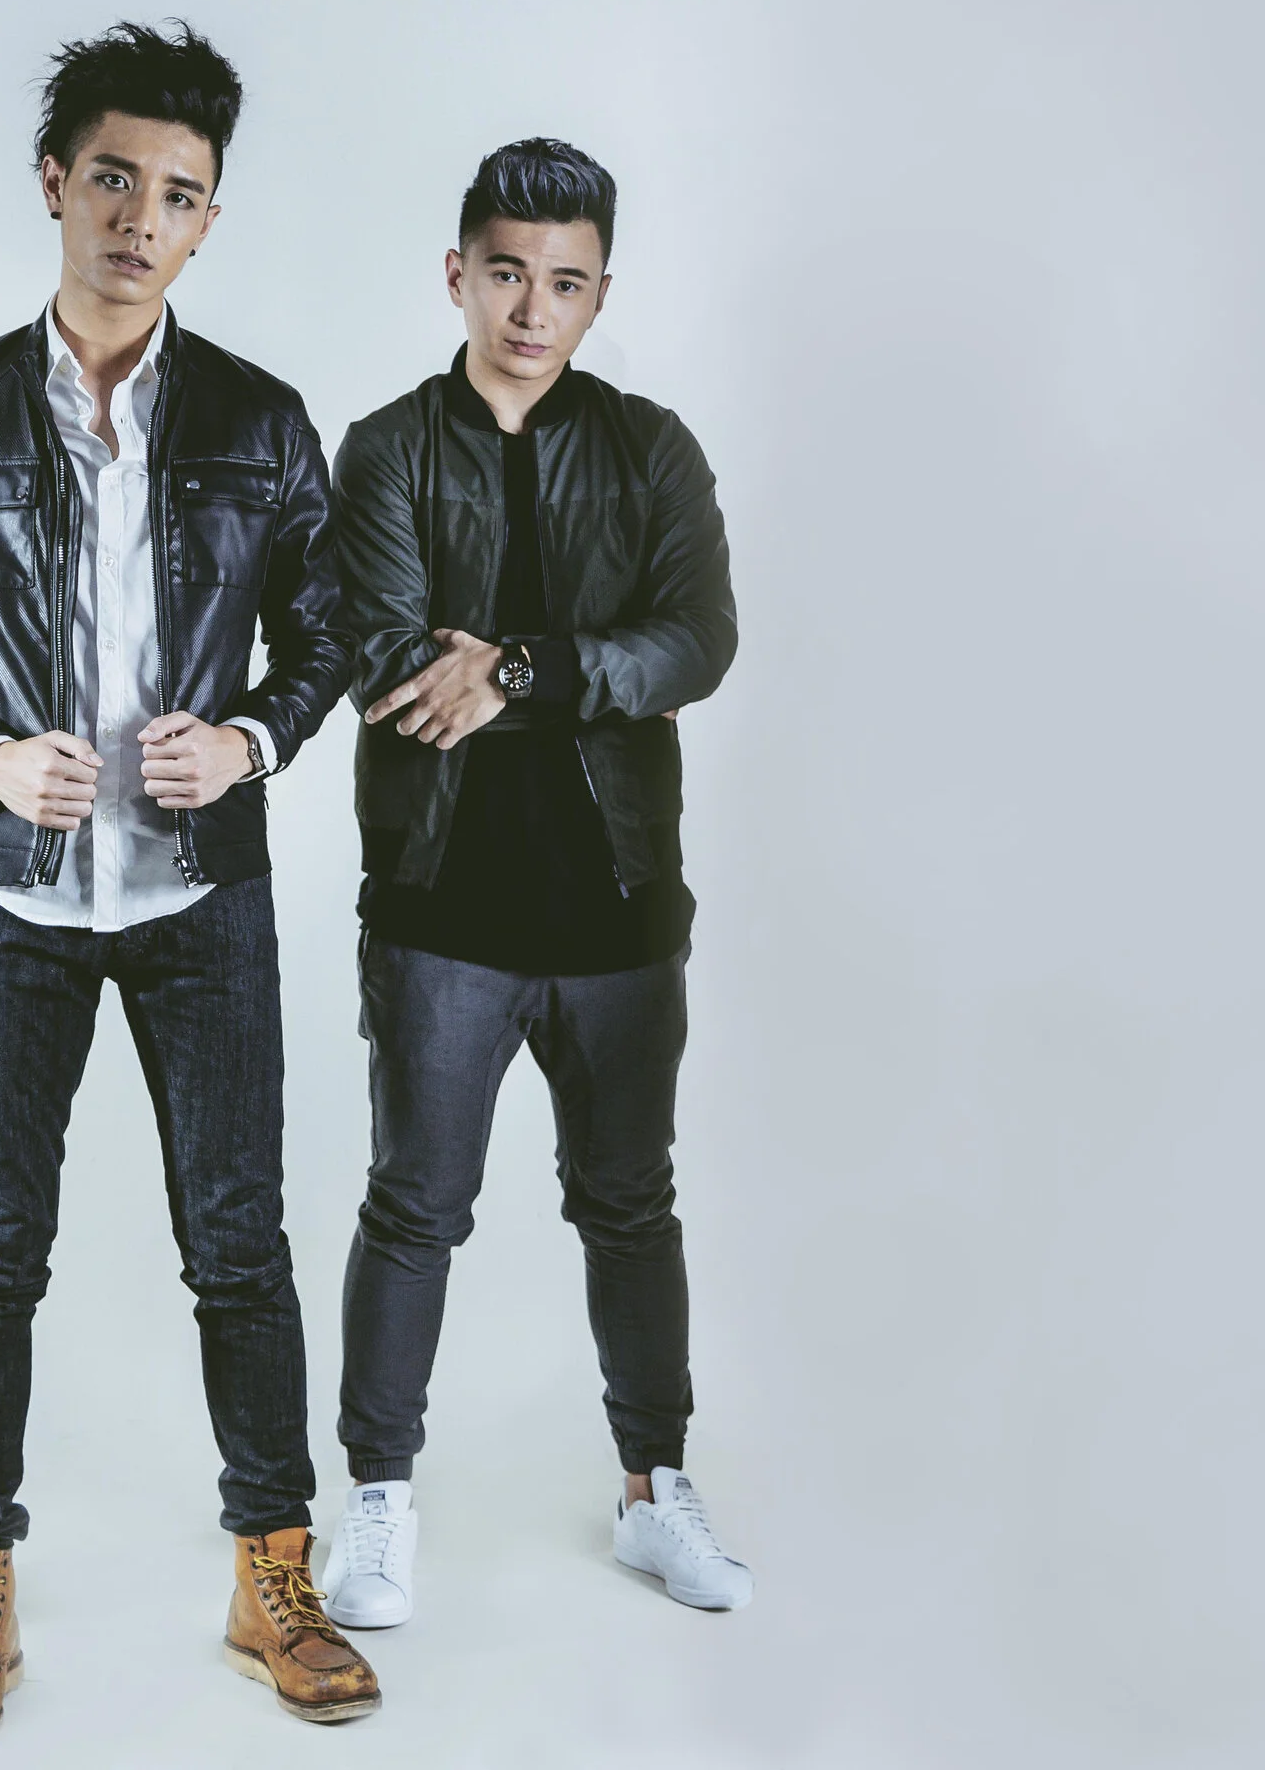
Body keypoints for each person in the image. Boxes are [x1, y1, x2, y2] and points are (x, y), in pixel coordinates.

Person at [0, 21, 376, 1747]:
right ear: (54, 184)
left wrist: (255, 738)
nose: (140, 218)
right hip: (14, 899)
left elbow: (329, 634)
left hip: (199, 896)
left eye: (179, 193)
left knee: (240, 1246)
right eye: (111, 179)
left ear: (209, 219)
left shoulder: (260, 421)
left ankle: (273, 1575)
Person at [317, 138, 754, 1630]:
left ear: (599, 294)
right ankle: (379, 1501)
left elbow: (699, 640)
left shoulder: (650, 448)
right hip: (441, 909)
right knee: (414, 1209)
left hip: (618, 909)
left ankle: (654, 1492)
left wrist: (517, 669)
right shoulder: (388, 449)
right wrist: (571, 674)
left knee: (631, 1208)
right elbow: (384, 658)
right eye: (506, 273)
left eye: (564, 283)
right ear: (459, 274)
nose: (530, 308)